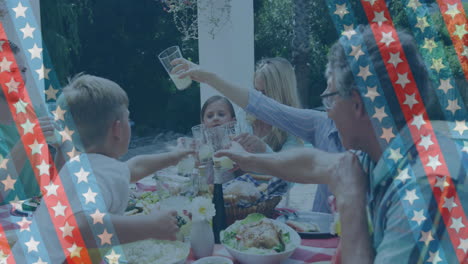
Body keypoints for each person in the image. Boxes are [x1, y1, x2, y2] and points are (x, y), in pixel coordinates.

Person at [175, 26, 467, 263]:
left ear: (357, 105)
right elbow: (315, 162)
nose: (326, 111)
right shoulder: (385, 149)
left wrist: (350, 202)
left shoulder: (428, 185)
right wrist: (254, 161)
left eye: (329, 99)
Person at [12, 74, 193, 263]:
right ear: (118, 129)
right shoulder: (96, 173)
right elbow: (79, 226)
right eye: (128, 119)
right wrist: (151, 225)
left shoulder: (85, 166)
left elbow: (135, 166)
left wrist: (175, 156)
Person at [173, 57, 340, 213]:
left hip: (268, 208)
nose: (261, 99)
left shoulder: (295, 130)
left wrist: (262, 149)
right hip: (230, 204)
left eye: (265, 93)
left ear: (280, 95)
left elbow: (288, 181)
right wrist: (197, 150)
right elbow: (220, 159)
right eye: (257, 91)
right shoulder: (241, 118)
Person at [0, 40, 65, 204]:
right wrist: (27, 141)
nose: (21, 78)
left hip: (37, 216)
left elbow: (52, 180)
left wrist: (63, 147)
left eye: (23, 70)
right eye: (12, 71)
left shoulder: (30, 113)